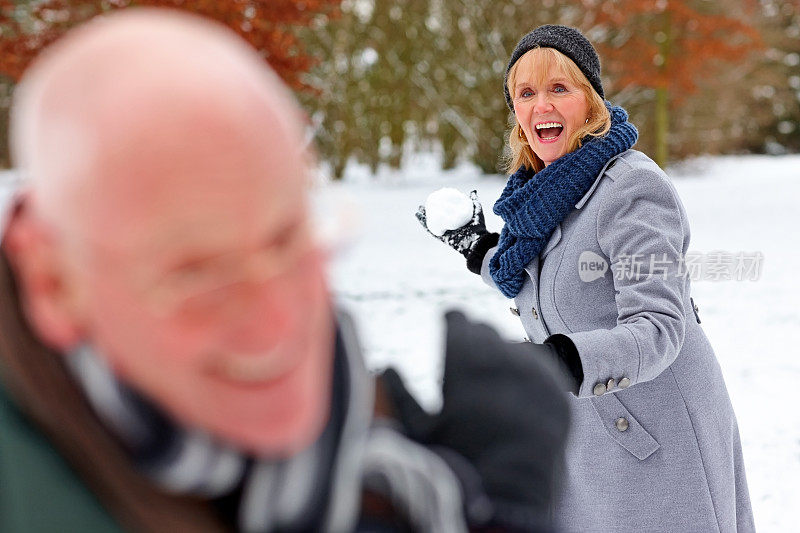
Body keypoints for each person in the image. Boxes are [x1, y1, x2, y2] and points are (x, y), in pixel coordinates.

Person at [0, 9, 574, 532]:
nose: (279, 326)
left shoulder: (356, 451)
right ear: (53, 281)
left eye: (287, 239)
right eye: (196, 274)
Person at [417, 24, 755, 533]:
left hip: (657, 436)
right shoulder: (543, 195)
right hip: (590, 435)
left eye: (559, 88)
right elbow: (546, 279)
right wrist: (480, 248)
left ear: (591, 100)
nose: (541, 106)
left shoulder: (632, 188)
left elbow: (659, 326)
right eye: (525, 94)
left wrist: (561, 362)